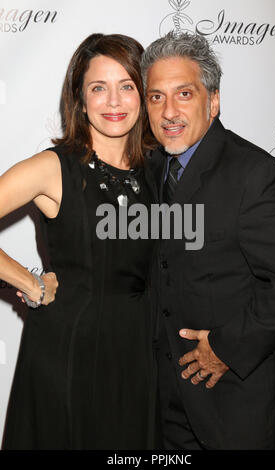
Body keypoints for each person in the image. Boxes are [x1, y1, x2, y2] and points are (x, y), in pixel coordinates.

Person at [141, 31, 275, 450]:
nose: (169, 111)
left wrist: (226, 348)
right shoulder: (152, 169)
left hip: (237, 405)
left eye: (184, 94)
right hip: (165, 406)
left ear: (213, 101)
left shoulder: (256, 176)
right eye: (156, 97)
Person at [1, 33, 160, 450]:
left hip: (139, 352)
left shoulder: (160, 171)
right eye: (98, 88)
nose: (114, 101)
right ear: (80, 98)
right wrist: (28, 281)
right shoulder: (54, 168)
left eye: (127, 86)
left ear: (144, 95)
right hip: (68, 351)